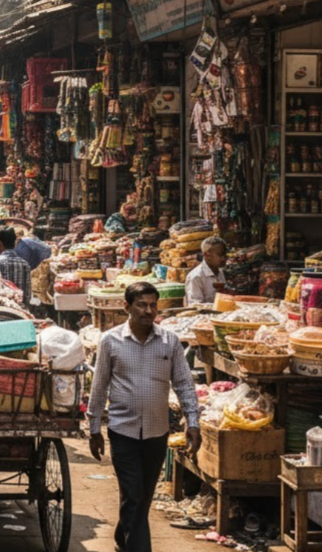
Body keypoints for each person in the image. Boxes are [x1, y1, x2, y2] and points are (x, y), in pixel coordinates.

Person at [88, 282, 201, 552]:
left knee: (142, 496)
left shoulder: (169, 341)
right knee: (135, 495)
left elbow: (184, 384)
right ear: (127, 307)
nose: (148, 311)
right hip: (122, 430)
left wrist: (193, 422)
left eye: (152, 305)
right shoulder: (110, 341)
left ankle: (122, 536)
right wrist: (94, 429)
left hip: (156, 431)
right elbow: (99, 385)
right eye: (141, 305)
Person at [0, 226, 32, 306]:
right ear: (14, 244)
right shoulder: (25, 264)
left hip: (0, 310)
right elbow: (27, 296)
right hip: (20, 310)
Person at [185, 236, 227, 305]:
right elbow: (196, 305)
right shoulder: (196, 277)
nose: (224, 259)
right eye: (220, 255)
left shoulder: (220, 272)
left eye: (225, 255)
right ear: (206, 255)